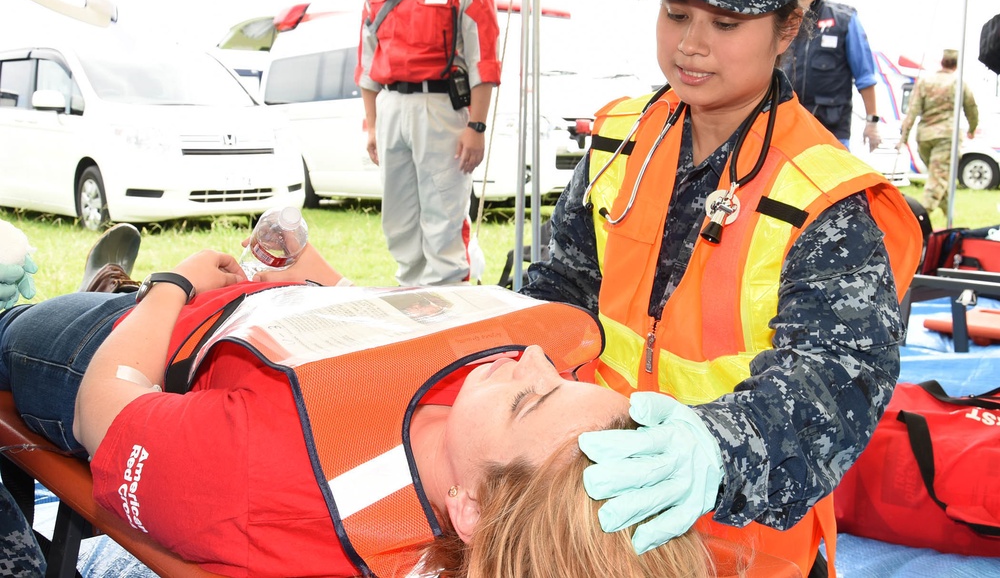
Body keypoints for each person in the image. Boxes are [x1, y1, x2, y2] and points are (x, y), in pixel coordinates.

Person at [521, 0, 924, 578]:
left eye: (727, 22)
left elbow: (839, 378)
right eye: (676, 13)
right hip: (597, 519)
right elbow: (559, 290)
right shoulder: (622, 138)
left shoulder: (824, 193)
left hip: (745, 544)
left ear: (789, 27)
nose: (691, 44)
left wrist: (714, 449)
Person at [0, 229, 720, 578]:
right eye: (565, 377)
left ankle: (108, 294)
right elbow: (393, 352)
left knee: (12, 331)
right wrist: (313, 279)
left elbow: (108, 408)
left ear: (470, 510)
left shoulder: (259, 478)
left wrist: (172, 284)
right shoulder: (504, 437)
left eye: (527, 401)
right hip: (271, 303)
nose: (533, 357)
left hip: (131, 349)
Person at [356, 0, 501, 287]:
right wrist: (371, 124)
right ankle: (411, 305)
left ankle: (452, 308)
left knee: (444, 215)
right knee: (398, 220)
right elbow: (367, 62)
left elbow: (484, 62)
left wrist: (476, 126)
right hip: (391, 109)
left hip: (440, 109)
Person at [779, 0, 882, 151]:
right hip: (786, 130)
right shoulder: (782, 20)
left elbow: (865, 76)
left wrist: (872, 123)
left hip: (831, 133)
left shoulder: (844, 19)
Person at [897, 48, 979, 215]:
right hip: (947, 137)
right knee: (938, 177)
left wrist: (904, 137)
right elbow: (971, 108)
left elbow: (912, 110)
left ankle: (948, 211)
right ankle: (920, 216)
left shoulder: (925, 82)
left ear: (942, 62)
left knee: (939, 175)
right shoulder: (959, 83)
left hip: (925, 137)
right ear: (956, 65)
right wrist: (972, 128)